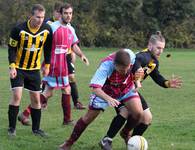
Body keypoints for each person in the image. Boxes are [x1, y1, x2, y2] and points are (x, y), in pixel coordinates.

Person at [101, 31, 183, 146]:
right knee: (126, 111)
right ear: (150, 45)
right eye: (158, 48)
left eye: (162, 48)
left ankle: (133, 143)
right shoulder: (143, 55)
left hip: (131, 90)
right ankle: (107, 139)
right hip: (119, 88)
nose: (161, 51)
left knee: (147, 118)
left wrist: (167, 83)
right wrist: (138, 71)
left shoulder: (154, 61)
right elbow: (136, 61)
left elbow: (157, 77)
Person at [59, 49, 145, 150]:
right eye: (122, 70)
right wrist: (108, 98)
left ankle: (125, 133)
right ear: (115, 65)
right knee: (88, 118)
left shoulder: (129, 55)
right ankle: (69, 143)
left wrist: (138, 80)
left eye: (127, 69)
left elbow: (137, 63)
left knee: (138, 113)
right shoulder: (106, 66)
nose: (125, 72)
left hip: (125, 88)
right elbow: (95, 88)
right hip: (105, 90)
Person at [18, 2, 86, 126]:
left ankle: (25, 113)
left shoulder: (71, 29)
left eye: (70, 13)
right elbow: (40, 40)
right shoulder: (52, 27)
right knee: (66, 89)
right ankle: (67, 120)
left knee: (48, 92)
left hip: (62, 64)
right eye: (65, 13)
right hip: (55, 64)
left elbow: (73, 45)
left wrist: (81, 55)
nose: (68, 16)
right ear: (60, 14)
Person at [7, 4, 52, 137]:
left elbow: (48, 49)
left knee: (36, 100)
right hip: (19, 69)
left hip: (34, 70)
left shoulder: (47, 29)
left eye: (42, 17)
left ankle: (36, 129)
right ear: (31, 15)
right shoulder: (18, 29)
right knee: (17, 96)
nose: (40, 20)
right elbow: (11, 49)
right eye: (37, 17)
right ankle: (12, 128)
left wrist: (47, 66)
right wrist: (12, 66)